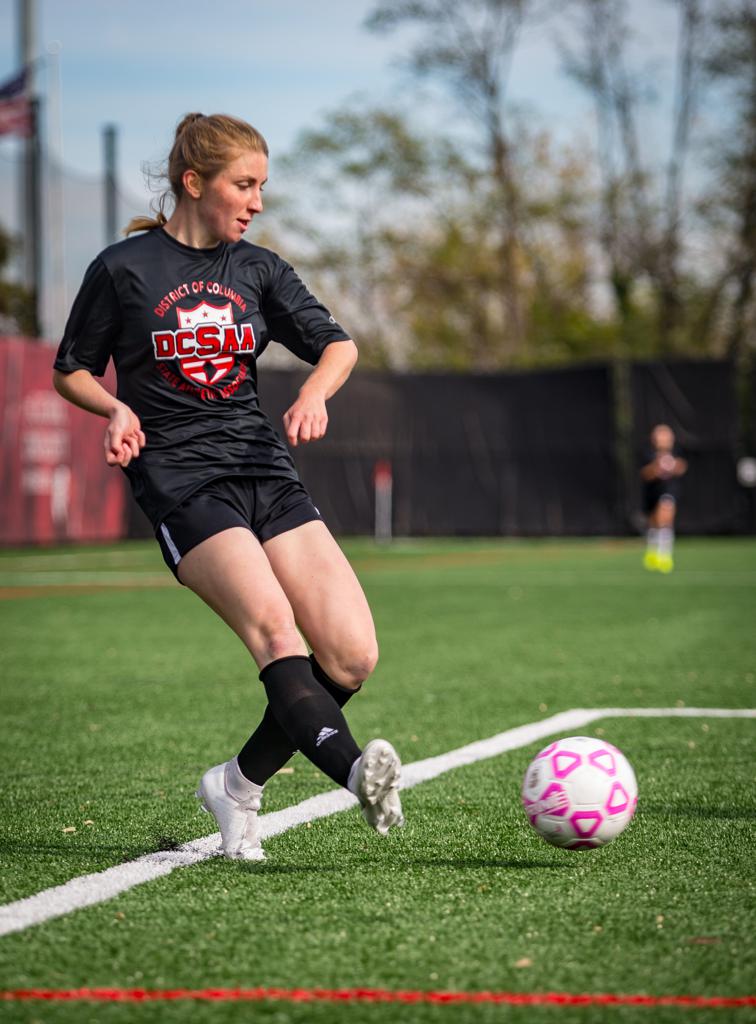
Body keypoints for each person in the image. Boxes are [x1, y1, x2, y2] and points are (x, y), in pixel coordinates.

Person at [52, 112, 404, 861]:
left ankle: (238, 786)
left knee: (350, 657)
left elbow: (338, 346)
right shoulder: (122, 268)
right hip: (182, 481)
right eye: (244, 185)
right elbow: (71, 368)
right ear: (194, 182)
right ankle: (356, 775)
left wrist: (315, 394)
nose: (257, 201)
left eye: (262, 186)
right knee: (277, 633)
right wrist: (114, 406)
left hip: (264, 470)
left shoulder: (259, 269)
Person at [639, 423, 687, 573]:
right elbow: (645, 474)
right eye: (660, 435)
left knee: (665, 517)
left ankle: (665, 555)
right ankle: (652, 552)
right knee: (654, 523)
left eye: (666, 435)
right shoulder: (648, 453)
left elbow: (682, 466)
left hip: (669, 491)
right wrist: (656, 467)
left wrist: (673, 465)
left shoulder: (677, 451)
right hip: (652, 492)